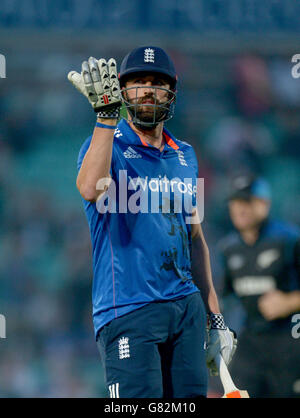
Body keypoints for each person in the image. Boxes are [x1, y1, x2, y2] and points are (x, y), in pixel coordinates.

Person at [67, 46, 236, 398]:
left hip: (186, 308)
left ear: (171, 92)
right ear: (122, 92)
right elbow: (88, 189)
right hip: (128, 309)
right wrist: (105, 118)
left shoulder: (185, 154)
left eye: (157, 83)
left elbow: (195, 238)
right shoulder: (105, 144)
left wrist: (214, 317)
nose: (147, 89)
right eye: (137, 82)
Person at [218, 173, 300, 398]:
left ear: (264, 204)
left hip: (290, 340)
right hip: (252, 341)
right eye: (235, 203)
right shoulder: (229, 248)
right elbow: (223, 296)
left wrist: (289, 302)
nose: (239, 209)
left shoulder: (289, 240)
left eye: (246, 202)